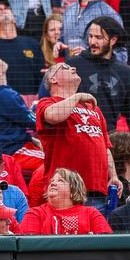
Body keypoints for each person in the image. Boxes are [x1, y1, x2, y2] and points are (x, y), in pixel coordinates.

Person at [31, 63, 120, 210]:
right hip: (66, 192)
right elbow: (53, 116)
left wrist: (114, 176)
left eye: (72, 67)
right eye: (65, 68)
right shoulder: (47, 103)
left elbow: (105, 146)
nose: (74, 68)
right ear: (53, 79)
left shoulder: (93, 108)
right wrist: (77, 97)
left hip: (97, 191)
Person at [67, 16, 130, 132]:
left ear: (113, 40)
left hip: (109, 139)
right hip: (78, 136)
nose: (92, 42)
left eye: (98, 37)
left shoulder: (124, 71)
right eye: (90, 36)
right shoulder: (73, 65)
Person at [18, 168, 111, 235]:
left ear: (74, 190)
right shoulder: (35, 213)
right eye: (52, 181)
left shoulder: (91, 213)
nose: (53, 183)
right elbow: (29, 246)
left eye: (60, 181)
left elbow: (106, 242)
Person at [0, 0, 43, 94]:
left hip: (32, 102)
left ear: (14, 19)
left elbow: (41, 75)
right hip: (3, 102)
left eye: (6, 8)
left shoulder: (32, 43)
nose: (3, 10)